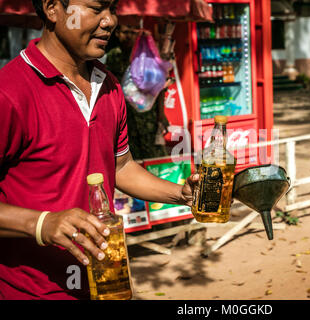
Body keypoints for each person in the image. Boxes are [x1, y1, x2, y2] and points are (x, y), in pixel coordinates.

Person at [0, 0, 198, 300]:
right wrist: (42, 223)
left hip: (104, 283)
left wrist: (180, 194)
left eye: (113, 9)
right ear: (52, 8)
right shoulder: (9, 92)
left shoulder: (109, 86)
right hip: (30, 291)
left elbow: (121, 167)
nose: (110, 21)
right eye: (96, 8)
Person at [106, 24, 168, 160]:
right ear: (117, 34)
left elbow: (159, 88)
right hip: (126, 120)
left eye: (132, 33)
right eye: (125, 32)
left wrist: (161, 114)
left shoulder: (144, 55)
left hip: (148, 118)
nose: (129, 36)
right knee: (133, 161)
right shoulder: (112, 57)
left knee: (156, 159)